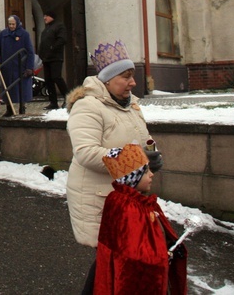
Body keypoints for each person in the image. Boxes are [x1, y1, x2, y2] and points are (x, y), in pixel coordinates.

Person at [64, 40, 163, 293]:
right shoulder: (88, 106)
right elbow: (86, 152)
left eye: (133, 76)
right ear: (107, 80)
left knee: (116, 261)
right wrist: (137, 169)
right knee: (113, 259)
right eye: (126, 77)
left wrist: (152, 155)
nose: (133, 83)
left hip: (125, 197)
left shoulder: (130, 104)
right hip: (100, 198)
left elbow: (144, 138)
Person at [94, 143, 187, 294]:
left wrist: (171, 246)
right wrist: (162, 257)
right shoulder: (129, 207)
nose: (151, 174)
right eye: (145, 172)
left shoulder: (128, 201)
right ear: (132, 179)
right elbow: (134, 254)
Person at [0, 15, 35, 116]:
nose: (11, 26)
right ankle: (9, 108)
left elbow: (30, 52)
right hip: (7, 66)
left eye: (13, 24)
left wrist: (29, 67)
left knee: (21, 88)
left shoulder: (24, 34)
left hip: (20, 66)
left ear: (17, 23)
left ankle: (22, 107)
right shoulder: (3, 34)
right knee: (8, 88)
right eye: (10, 24)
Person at [38, 10, 69, 110]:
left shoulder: (59, 26)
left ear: (52, 16)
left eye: (46, 16)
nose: (44, 18)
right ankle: (53, 102)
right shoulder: (46, 29)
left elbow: (62, 39)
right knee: (48, 80)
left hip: (55, 57)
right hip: (46, 58)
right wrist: (41, 54)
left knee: (56, 77)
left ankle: (68, 98)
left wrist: (52, 48)